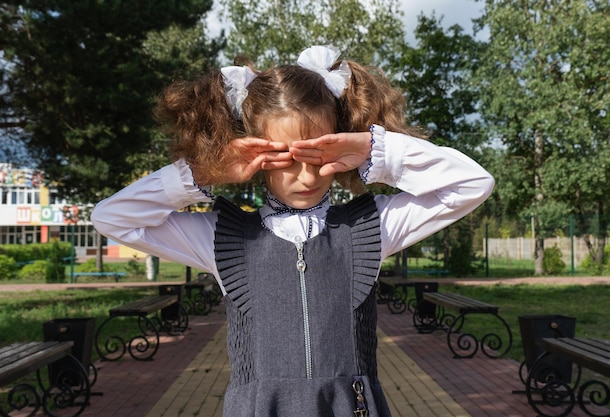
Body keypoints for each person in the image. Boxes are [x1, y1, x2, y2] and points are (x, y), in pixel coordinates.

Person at [91, 45, 494, 417]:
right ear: (257, 156)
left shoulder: (369, 229)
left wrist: (374, 150)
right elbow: (112, 218)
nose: (306, 176)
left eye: (318, 154)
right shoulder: (223, 240)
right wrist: (205, 170)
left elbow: (472, 185)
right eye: (286, 159)